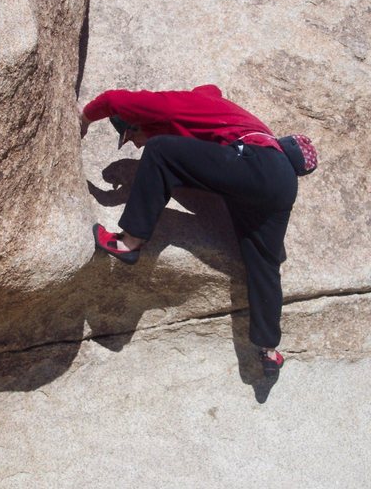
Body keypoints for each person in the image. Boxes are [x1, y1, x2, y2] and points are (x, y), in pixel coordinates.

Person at [79, 84, 298, 376]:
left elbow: (113, 100)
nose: (133, 144)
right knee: (263, 260)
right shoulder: (201, 113)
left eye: (130, 134)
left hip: (254, 160)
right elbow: (212, 91)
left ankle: (129, 242)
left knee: (160, 150)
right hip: (281, 180)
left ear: (142, 120)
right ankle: (268, 350)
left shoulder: (174, 105)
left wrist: (83, 119)